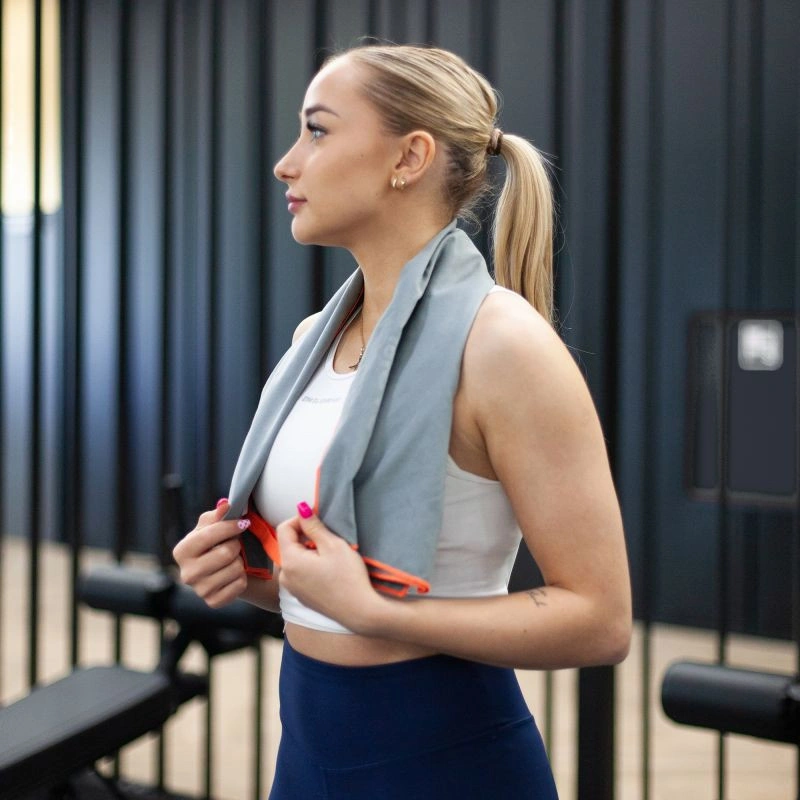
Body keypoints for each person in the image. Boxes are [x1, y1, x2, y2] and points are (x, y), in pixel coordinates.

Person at [173, 43, 632, 799]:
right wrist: (249, 575)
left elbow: (601, 620)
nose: (287, 164)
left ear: (409, 157)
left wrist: (375, 611)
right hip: (308, 761)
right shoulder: (314, 341)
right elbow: (327, 593)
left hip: (449, 764)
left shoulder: (502, 344)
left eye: (317, 131)